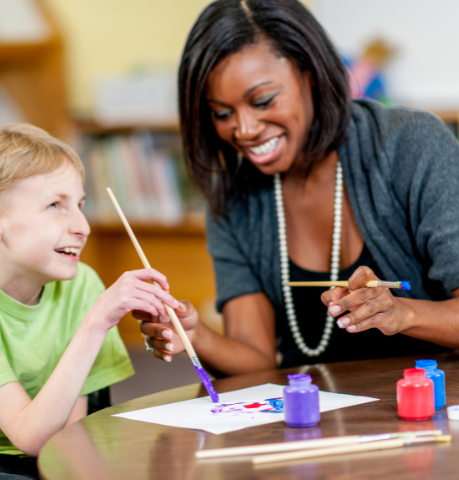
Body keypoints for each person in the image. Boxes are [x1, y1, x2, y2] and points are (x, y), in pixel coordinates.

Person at [140, 0, 459, 373]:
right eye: (223, 113)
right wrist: (196, 335)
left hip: (430, 413)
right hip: (308, 420)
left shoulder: (411, 144)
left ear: (311, 74)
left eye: (262, 100)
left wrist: (403, 314)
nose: (244, 129)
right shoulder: (232, 195)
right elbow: (255, 358)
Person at [0, 124, 181, 480]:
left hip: (46, 449)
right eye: (56, 204)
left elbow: (69, 437)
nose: (83, 226)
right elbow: (32, 438)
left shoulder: (81, 284)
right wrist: (97, 321)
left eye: (80, 205)